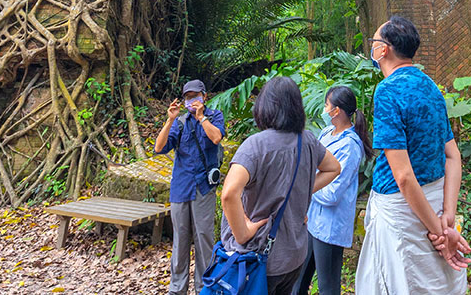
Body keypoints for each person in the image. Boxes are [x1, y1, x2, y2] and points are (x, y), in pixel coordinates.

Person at [355, 15, 469, 295]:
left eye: (374, 42)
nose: (372, 48)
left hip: (401, 211)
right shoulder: (430, 86)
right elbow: (452, 156)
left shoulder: (387, 91)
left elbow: (403, 176)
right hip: (436, 205)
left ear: (385, 49)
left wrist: (440, 234)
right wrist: (447, 220)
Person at [220, 76, 341, 295]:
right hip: (294, 256)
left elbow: (229, 194)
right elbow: (333, 168)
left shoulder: (256, 145)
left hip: (260, 258)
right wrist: (301, 191)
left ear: (265, 106)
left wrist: (242, 234)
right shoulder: (307, 140)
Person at [293, 85, 372, 295]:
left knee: (328, 287)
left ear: (336, 111)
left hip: (329, 227)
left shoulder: (350, 146)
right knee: (297, 280)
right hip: (311, 221)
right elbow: (312, 164)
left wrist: (306, 186)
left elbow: (332, 193)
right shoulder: (328, 132)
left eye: (327, 105)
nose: (324, 108)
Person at [155, 78, 226, 295]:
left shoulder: (215, 116)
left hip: (203, 187)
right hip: (181, 187)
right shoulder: (179, 122)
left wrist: (201, 116)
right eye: (187, 97)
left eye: (195, 96)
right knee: (180, 240)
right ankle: (177, 289)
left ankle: (205, 288)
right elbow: (159, 147)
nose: (191, 100)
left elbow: (216, 138)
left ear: (204, 96)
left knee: (204, 238)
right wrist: (169, 120)